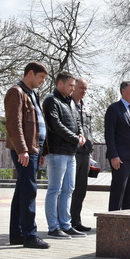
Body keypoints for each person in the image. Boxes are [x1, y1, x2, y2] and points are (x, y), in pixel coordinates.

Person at [4, 62, 50, 249]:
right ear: (30, 73)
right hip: (24, 150)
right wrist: (22, 149)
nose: (42, 82)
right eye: (41, 77)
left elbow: (38, 125)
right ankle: (30, 235)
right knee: (29, 190)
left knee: (22, 190)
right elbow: (14, 124)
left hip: (33, 149)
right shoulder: (16, 92)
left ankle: (17, 234)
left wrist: (40, 150)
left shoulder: (33, 94)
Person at [43, 71, 86, 239]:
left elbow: (77, 122)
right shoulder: (51, 101)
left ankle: (66, 225)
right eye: (71, 85)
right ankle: (53, 227)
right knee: (55, 189)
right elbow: (55, 125)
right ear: (60, 84)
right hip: (57, 152)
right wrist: (75, 138)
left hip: (71, 153)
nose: (73, 89)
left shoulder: (71, 102)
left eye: (74, 86)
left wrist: (81, 134)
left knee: (69, 189)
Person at [104, 80, 130, 211]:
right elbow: (109, 134)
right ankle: (112, 221)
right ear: (123, 91)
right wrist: (113, 155)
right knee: (118, 190)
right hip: (119, 159)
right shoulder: (114, 109)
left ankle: (127, 221)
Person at [70, 78, 94, 232]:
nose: (83, 91)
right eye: (81, 88)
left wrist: (90, 153)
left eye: (86, 89)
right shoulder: (67, 105)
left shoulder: (86, 107)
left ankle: (76, 221)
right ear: (74, 88)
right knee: (69, 189)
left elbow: (89, 130)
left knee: (81, 189)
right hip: (72, 152)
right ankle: (64, 221)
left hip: (85, 153)